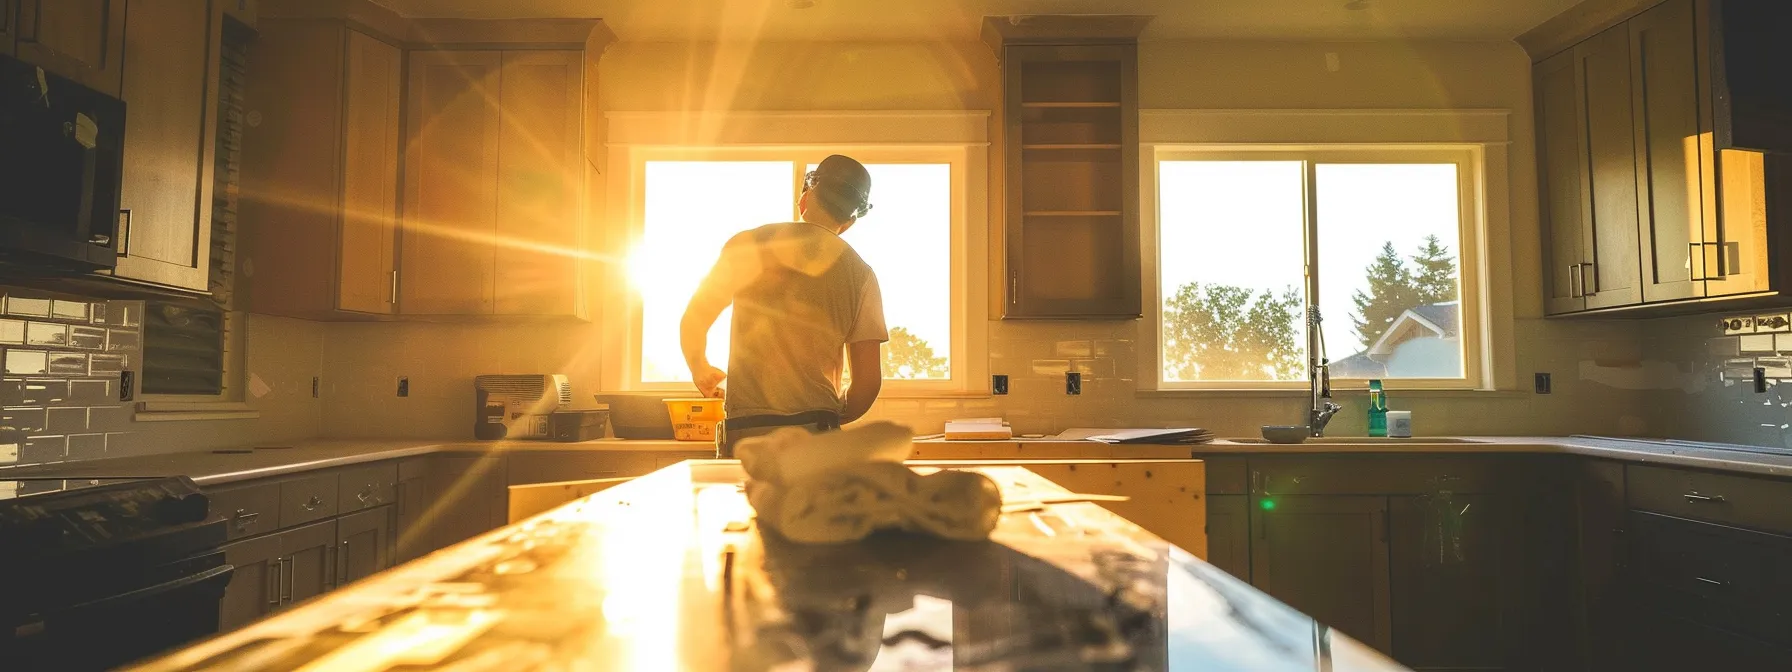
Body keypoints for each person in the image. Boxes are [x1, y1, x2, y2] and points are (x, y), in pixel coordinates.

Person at [680, 155, 887, 458]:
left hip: (747, 431)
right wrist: (834, 414)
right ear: (850, 220)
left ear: (807, 196)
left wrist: (699, 366)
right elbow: (867, 384)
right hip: (817, 433)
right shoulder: (862, 274)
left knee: (748, 505)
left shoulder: (748, 244)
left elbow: (695, 319)